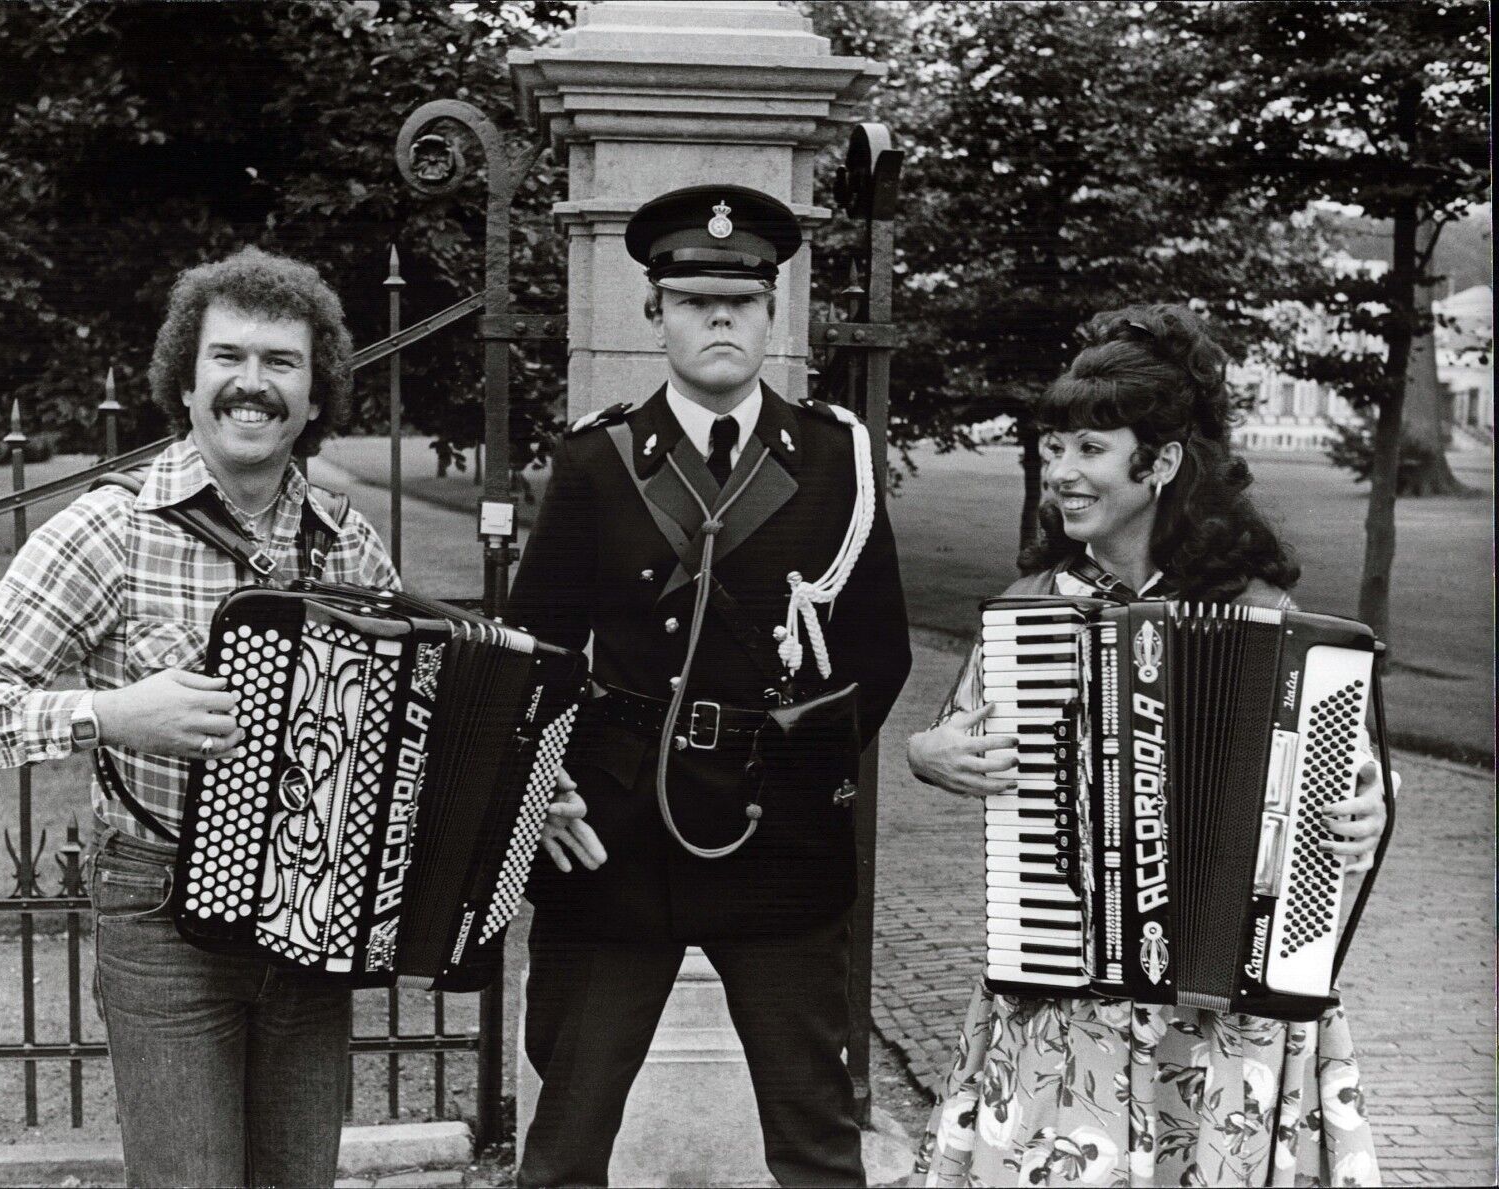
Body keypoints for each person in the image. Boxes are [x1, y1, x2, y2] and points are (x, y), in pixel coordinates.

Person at [0, 246, 495, 1187]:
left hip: (314, 910)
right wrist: (108, 713)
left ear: (315, 397)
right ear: (185, 383)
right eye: (228, 358)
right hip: (161, 911)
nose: (251, 385)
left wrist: (522, 788)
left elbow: (434, 707)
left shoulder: (343, 542)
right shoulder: (112, 528)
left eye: (281, 363)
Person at [907, 304, 1392, 1188]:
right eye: (1054, 449)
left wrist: (1371, 807)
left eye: (1089, 449)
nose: (1060, 473)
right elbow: (954, 729)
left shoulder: (1262, 613)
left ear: (1161, 462)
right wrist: (926, 753)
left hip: (1225, 1005)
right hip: (1065, 982)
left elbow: (1359, 775)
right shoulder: (1035, 608)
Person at [507, 185, 912, 1188]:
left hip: (777, 834)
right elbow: (536, 650)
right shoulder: (598, 460)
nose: (718, 318)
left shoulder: (835, 460)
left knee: (818, 1143)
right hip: (614, 825)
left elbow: (880, 648)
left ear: (773, 312)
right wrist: (544, 787)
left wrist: (809, 774)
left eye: (740, 300)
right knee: (565, 1145)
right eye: (691, 300)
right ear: (655, 314)